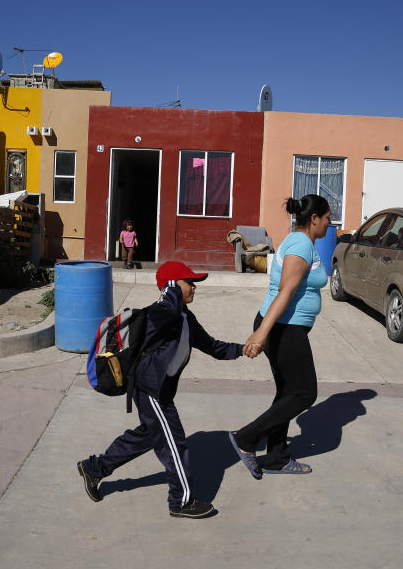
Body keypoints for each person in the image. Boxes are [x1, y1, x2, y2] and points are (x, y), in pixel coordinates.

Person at [78, 261, 251, 518]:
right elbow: (166, 312)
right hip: (150, 389)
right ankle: (180, 501)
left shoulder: (185, 318)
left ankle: (94, 468)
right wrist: (170, 289)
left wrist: (243, 349)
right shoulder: (159, 313)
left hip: (160, 391)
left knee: (147, 436)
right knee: (174, 442)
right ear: (171, 286)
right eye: (188, 282)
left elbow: (214, 347)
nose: (194, 287)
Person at [229, 194, 331, 478]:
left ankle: (276, 458)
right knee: (305, 393)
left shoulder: (300, 241)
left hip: (285, 325)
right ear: (314, 219)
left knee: (287, 392)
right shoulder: (300, 244)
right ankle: (246, 438)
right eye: (327, 218)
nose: (329, 223)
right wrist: (262, 333)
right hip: (284, 327)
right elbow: (286, 291)